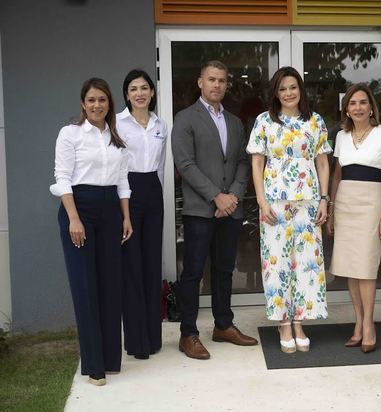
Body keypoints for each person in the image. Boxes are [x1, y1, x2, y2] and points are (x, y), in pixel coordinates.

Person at [171, 60, 258, 360]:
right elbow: (185, 164)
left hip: (230, 210)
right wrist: (216, 197)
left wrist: (232, 196)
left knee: (224, 270)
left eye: (222, 80)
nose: (217, 85)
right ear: (200, 82)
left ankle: (223, 325)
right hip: (199, 211)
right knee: (193, 273)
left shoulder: (235, 122)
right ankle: (188, 334)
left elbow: (243, 162)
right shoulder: (185, 119)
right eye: (211, 79)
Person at [50, 78, 133, 386]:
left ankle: (111, 359)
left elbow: (123, 182)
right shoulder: (70, 134)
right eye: (91, 100)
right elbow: (62, 178)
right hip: (79, 209)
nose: (97, 104)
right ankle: (94, 364)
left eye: (102, 99)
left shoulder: (116, 137)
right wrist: (73, 218)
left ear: (109, 103)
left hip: (111, 211)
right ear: (83, 104)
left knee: (110, 285)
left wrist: (126, 218)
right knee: (86, 287)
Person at [247, 66, 331, 353]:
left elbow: (322, 162)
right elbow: (257, 163)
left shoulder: (315, 121)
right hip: (274, 202)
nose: (288, 93)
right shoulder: (264, 121)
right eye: (282, 89)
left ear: (300, 90)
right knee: (277, 263)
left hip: (308, 201)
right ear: (275, 93)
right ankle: (283, 322)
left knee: (307, 263)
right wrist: (261, 201)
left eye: (293, 87)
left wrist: (324, 199)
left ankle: (300, 321)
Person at [326, 84, 381, 353]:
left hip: (371, 203)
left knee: (366, 268)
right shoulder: (341, 136)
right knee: (350, 269)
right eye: (352, 103)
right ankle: (357, 323)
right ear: (347, 108)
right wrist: (331, 209)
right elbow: (336, 175)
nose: (357, 107)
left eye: (362, 102)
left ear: (371, 107)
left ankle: (369, 325)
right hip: (345, 203)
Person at [116, 69, 167, 360]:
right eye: (133, 88)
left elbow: (160, 166)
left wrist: (157, 194)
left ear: (151, 92)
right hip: (127, 192)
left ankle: (153, 337)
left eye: (144, 87)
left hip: (153, 191)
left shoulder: (161, 125)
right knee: (132, 266)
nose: (139, 93)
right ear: (126, 94)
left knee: (150, 264)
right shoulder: (118, 124)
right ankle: (136, 342)